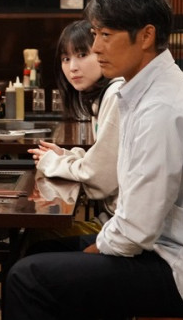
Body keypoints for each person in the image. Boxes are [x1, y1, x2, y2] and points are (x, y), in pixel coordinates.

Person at [3, 0, 183, 320]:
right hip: (168, 248)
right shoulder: (147, 89)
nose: (96, 47)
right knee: (36, 256)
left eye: (106, 35)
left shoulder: (162, 108)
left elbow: (135, 230)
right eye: (95, 34)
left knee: (27, 278)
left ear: (146, 36)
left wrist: (88, 255)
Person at [28, 20, 123, 228]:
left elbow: (99, 179)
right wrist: (65, 155)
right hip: (112, 222)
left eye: (82, 55)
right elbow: (108, 162)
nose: (72, 67)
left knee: (37, 239)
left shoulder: (116, 95)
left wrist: (53, 163)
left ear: (101, 52)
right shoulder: (102, 97)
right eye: (66, 58)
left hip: (121, 229)